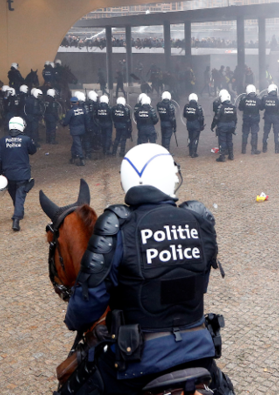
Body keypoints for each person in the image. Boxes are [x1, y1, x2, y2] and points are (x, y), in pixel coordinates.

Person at [59, 143, 234, 395]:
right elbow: (200, 284)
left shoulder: (117, 227)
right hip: (199, 354)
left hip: (135, 365)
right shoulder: (198, 221)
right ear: (167, 177)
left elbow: (85, 309)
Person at [0, 116, 37, 232]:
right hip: (23, 174)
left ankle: (19, 210)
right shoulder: (26, 139)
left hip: (8, 174)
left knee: (15, 195)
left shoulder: (3, 141)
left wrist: (0, 171)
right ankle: (16, 218)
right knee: (20, 195)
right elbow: (33, 150)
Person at [62, 92, 87, 166]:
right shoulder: (82, 109)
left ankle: (81, 159)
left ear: (71, 103)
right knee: (75, 144)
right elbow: (86, 118)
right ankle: (73, 157)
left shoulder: (70, 111)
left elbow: (66, 121)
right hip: (82, 129)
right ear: (77, 102)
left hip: (75, 130)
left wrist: (63, 124)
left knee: (77, 144)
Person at [211, 91, 237, 162]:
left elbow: (216, 118)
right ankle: (231, 155)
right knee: (229, 140)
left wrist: (213, 126)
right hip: (231, 125)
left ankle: (222, 156)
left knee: (222, 141)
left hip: (222, 125)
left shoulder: (220, 107)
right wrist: (234, 126)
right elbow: (235, 118)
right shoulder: (233, 106)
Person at [260, 83, 279, 153]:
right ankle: (277, 149)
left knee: (266, 133)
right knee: (276, 133)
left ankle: (264, 148)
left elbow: (261, 108)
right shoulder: (278, 98)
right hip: (276, 117)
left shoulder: (264, 98)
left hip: (267, 117)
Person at [238, 84, 261, 155]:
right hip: (255, 118)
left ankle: (243, 149)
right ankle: (253, 149)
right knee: (254, 133)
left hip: (246, 118)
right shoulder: (258, 99)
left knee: (245, 133)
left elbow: (240, 108)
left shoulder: (244, 99)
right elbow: (262, 107)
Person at [184, 93, 205, 158]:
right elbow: (201, 117)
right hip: (196, 124)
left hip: (189, 123)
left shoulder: (186, 106)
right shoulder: (198, 107)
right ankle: (194, 152)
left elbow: (184, 115)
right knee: (195, 138)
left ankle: (190, 151)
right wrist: (202, 125)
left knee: (190, 137)